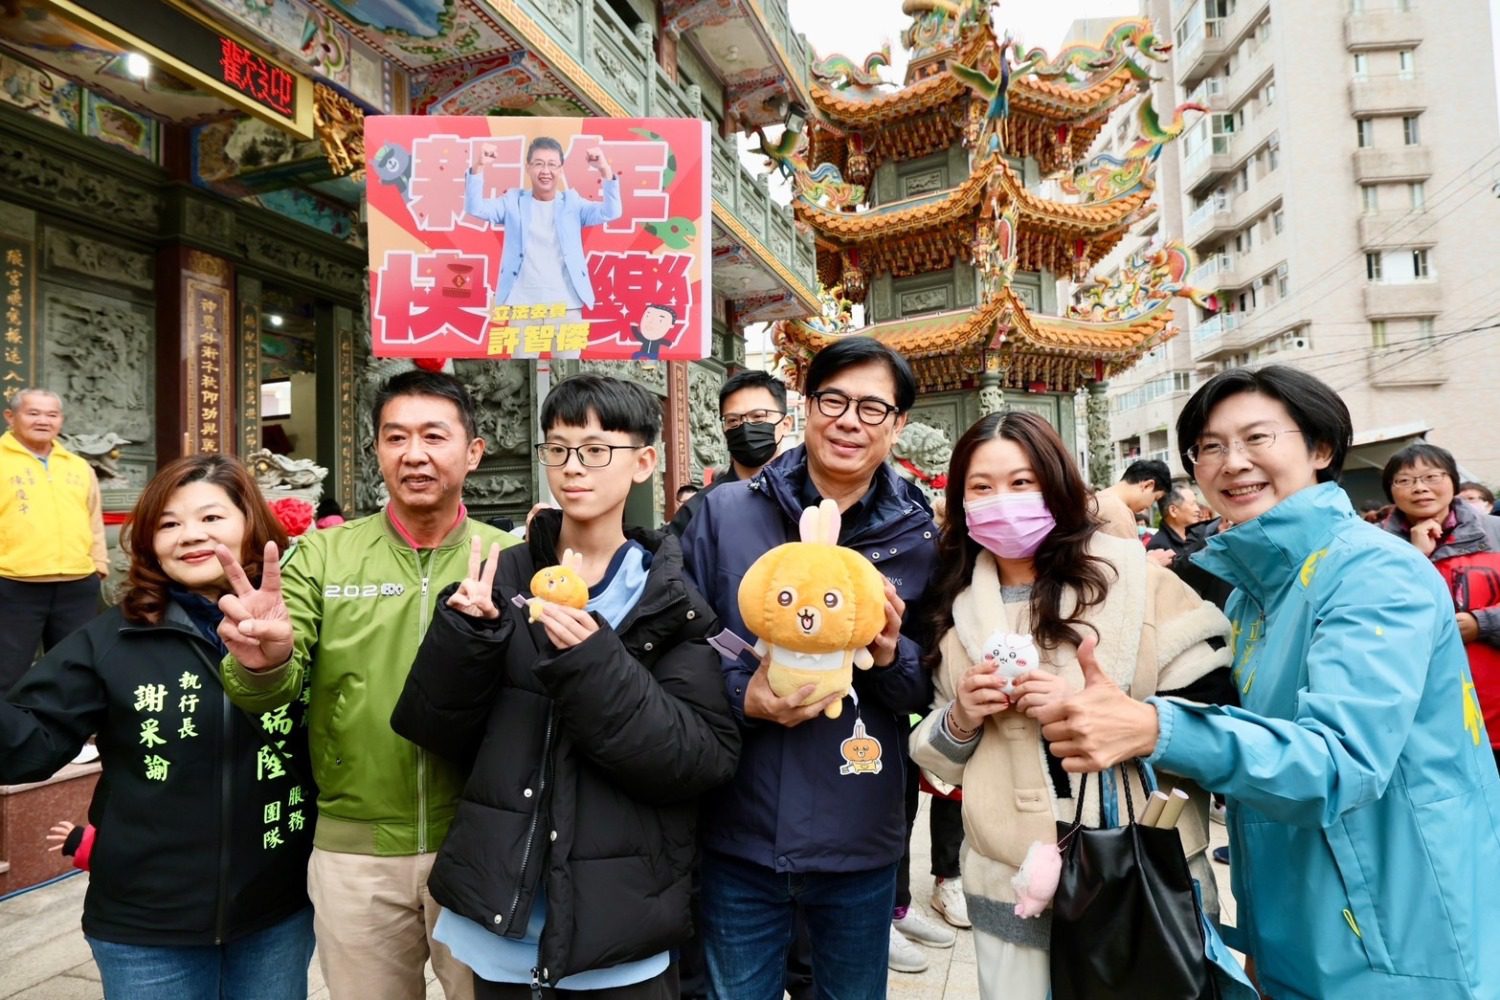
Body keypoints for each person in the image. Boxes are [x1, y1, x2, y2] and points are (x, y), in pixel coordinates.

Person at [1034, 365, 1500, 999]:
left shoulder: (1372, 574)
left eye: (1258, 438)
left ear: (1320, 448)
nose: (1233, 463)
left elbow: (1338, 763)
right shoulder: (1253, 596)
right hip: (1305, 927)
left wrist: (1155, 728)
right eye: (1210, 446)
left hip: (1398, 936)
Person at [390, 374, 740, 998]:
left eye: (596, 449)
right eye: (558, 448)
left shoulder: (671, 598)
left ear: (643, 462)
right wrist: (467, 638)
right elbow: (434, 729)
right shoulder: (500, 576)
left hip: (620, 926)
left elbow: (696, 760)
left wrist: (592, 662)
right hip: (503, 915)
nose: (573, 466)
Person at [907, 412, 1231, 1000]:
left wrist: (1101, 713)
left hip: (1136, 877)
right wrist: (961, 717)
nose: (1002, 501)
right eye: (981, 487)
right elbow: (939, 760)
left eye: (1022, 482)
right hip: (1008, 884)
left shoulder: (1138, 580)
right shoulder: (956, 610)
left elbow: (1217, 717)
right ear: (960, 501)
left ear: (1057, 484)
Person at [215, 370, 516, 1000]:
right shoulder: (325, 556)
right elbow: (269, 684)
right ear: (376, 450)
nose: (414, 454)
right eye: (395, 437)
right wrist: (263, 662)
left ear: (473, 451)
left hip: (483, 843)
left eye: (434, 436)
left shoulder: (508, 558)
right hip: (354, 852)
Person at [679, 336, 939, 1000]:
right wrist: (744, 694)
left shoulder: (916, 537)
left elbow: (931, 685)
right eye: (834, 401)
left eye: (873, 408)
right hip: (740, 825)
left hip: (859, 831)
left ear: (898, 424)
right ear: (807, 407)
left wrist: (890, 654)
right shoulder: (725, 514)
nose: (850, 421)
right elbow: (686, 641)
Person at [0, 454, 315, 998]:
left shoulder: (306, 624)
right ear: (149, 542)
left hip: (277, 914)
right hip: (146, 926)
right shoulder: (111, 639)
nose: (190, 535)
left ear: (251, 525)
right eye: (169, 523)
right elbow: (27, 748)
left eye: (211, 517)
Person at [1380, 443, 1500, 772]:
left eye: (1432, 476)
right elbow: (1373, 614)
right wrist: (1417, 557)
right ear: (1390, 490)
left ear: (1453, 481)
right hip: (1421, 716)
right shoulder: (1375, 546)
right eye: (1405, 480)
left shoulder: (1494, 533)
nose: (1420, 487)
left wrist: (1482, 623)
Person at [0, 388, 109, 694]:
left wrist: (99, 564)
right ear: (10, 417)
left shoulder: (77, 466)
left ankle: (64, 726)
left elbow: (93, 519)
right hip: (13, 583)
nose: (43, 421)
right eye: (33, 413)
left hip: (76, 584)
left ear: (61, 420)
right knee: (7, 673)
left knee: (74, 672)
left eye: (52, 414)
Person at [465, 137, 620, 318]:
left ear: (561, 169)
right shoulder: (513, 202)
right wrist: (479, 166)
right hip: (522, 305)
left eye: (552, 164)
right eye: (538, 164)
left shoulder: (573, 203)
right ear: (528, 167)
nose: (545, 171)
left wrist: (604, 169)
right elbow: (476, 208)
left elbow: (611, 212)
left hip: (567, 304)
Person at [668, 370, 795, 538]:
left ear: (786, 425)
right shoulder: (699, 508)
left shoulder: (804, 494)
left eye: (758, 416)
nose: (745, 427)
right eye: (733, 420)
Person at [1089, 458, 1171, 541]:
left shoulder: (1098, 498)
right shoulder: (1118, 512)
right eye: (1155, 498)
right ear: (1148, 485)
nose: (1149, 506)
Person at [1144, 484, 1204, 567]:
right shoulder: (1158, 547)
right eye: (1192, 504)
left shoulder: (1197, 536)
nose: (1198, 509)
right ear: (1173, 510)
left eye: (1197, 504)